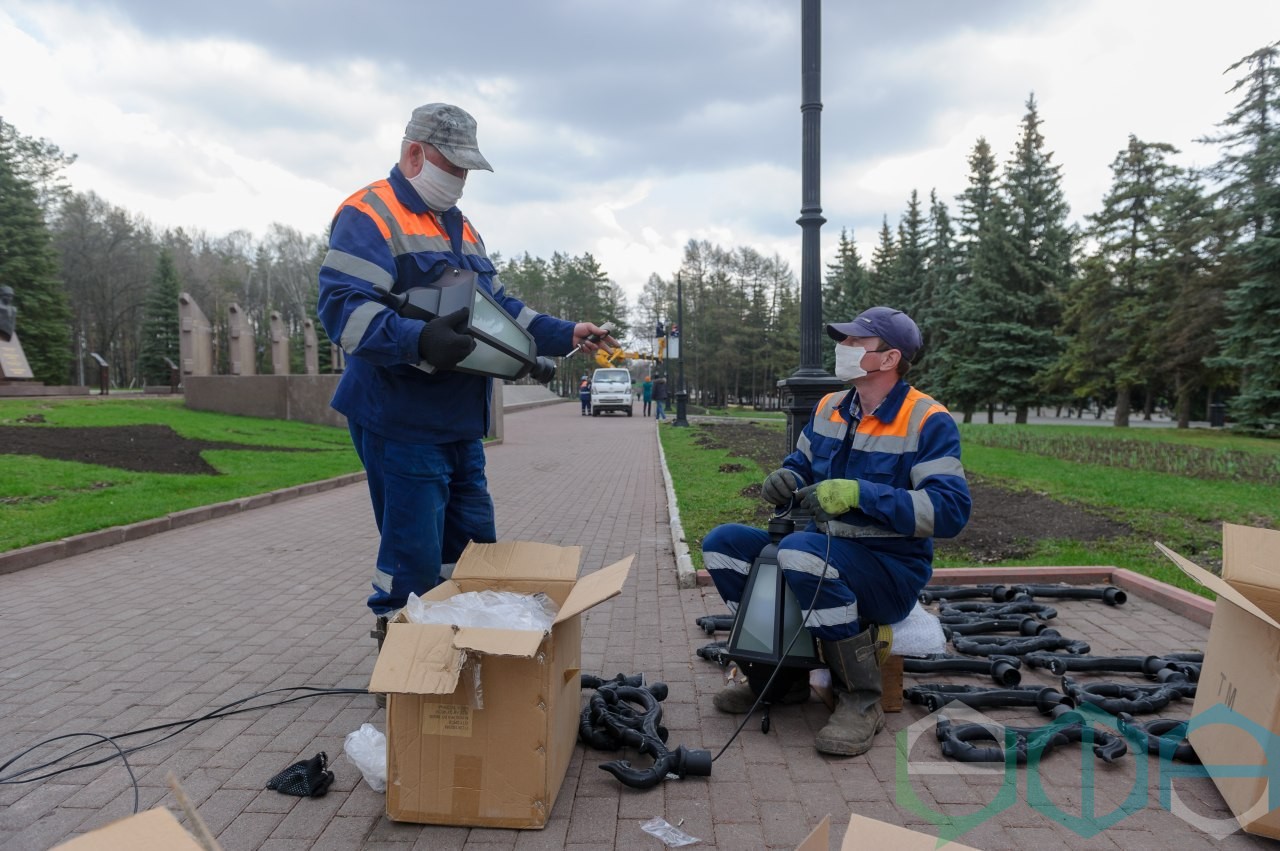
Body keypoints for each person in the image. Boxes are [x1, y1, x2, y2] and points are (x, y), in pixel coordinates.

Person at [317, 103, 616, 647]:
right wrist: (418, 339)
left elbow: (499, 309)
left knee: (476, 549)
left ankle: (465, 648)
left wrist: (566, 332)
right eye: (452, 167)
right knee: (413, 552)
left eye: (466, 171)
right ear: (414, 153)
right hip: (401, 418)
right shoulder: (370, 214)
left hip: (457, 421)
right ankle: (403, 656)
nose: (459, 181)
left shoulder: (460, 226)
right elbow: (344, 311)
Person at [701, 306, 970, 756]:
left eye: (854, 342)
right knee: (722, 546)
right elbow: (801, 465)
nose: (842, 349)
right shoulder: (830, 407)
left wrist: (862, 494)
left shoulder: (927, 419)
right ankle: (778, 680)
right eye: (842, 340)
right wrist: (783, 479)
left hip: (890, 571)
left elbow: (950, 511)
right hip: (820, 553)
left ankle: (861, 701)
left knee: (800, 553)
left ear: (888, 359)